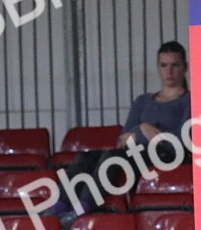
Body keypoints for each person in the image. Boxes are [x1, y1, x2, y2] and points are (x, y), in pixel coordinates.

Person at [53, 41, 191, 219]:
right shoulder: (142, 101)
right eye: (164, 65)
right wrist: (145, 130)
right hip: (135, 153)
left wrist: (138, 133)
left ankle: (82, 208)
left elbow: (178, 144)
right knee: (85, 157)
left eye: (175, 65)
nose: (169, 72)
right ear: (158, 67)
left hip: (165, 155)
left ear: (185, 67)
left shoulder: (189, 100)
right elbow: (121, 140)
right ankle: (59, 205)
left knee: (113, 156)